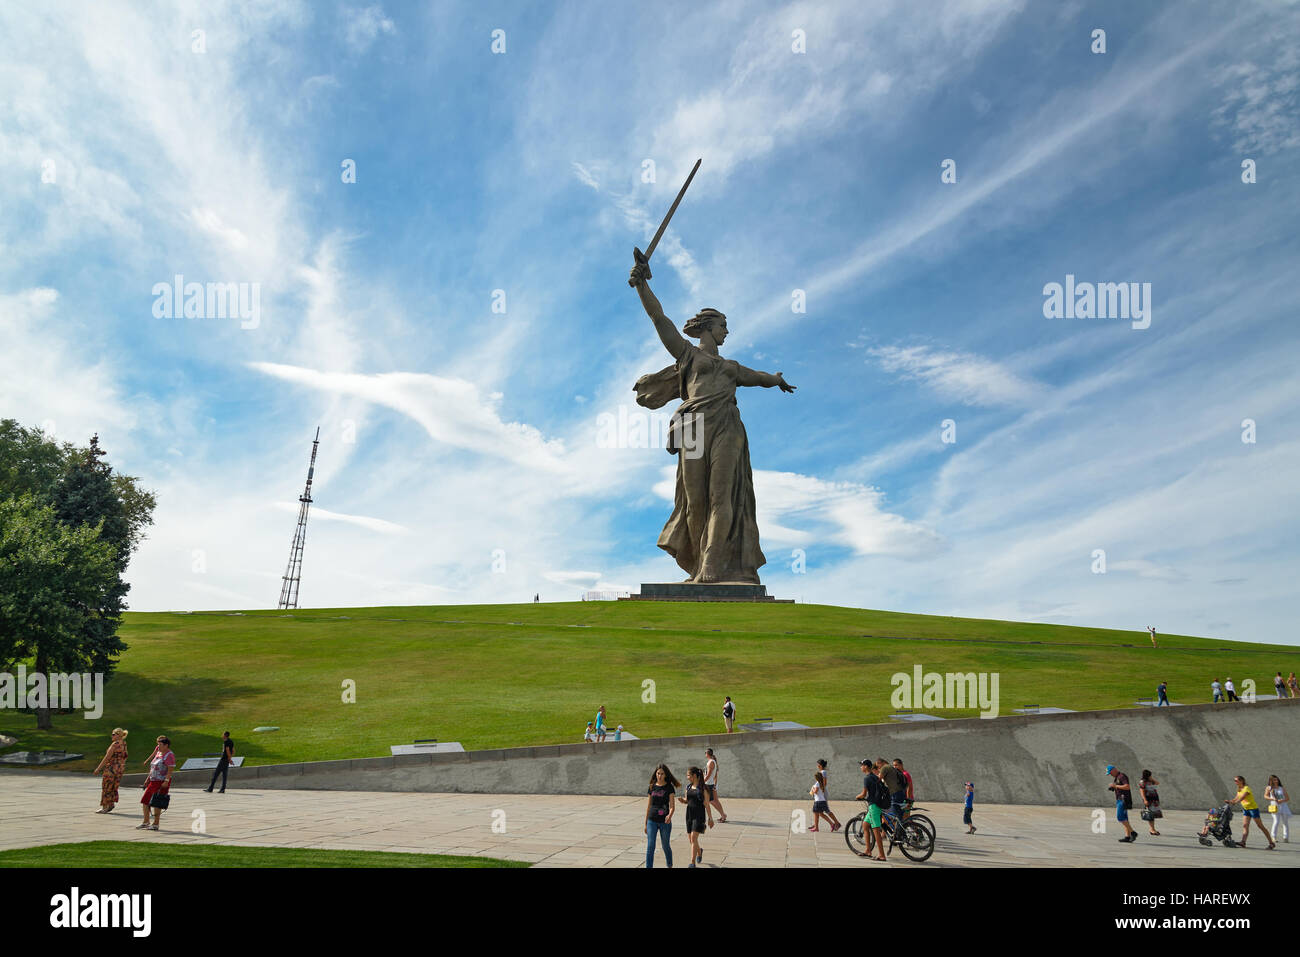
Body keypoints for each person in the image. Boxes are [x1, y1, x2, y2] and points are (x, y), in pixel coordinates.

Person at [630, 261, 797, 586]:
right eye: (723, 326)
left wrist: (776, 379)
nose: (726, 332)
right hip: (692, 426)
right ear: (707, 327)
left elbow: (759, 377)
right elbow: (659, 318)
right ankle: (697, 567)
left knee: (722, 496)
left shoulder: (731, 367)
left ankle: (712, 565)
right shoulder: (688, 355)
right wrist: (642, 285)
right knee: (695, 502)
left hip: (727, 427)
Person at [645, 763, 679, 868]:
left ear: (665, 775)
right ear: (655, 774)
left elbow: (672, 806)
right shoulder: (652, 786)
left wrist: (670, 815)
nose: (659, 776)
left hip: (665, 821)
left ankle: (669, 864)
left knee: (665, 846)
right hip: (652, 820)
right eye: (658, 773)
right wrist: (645, 823)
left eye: (662, 774)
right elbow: (649, 806)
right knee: (650, 846)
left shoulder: (669, 787)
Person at [1228, 775, 1276, 850]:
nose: (1235, 782)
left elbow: (1242, 797)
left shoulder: (1246, 788)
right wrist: (1230, 801)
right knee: (1245, 825)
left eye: (1236, 780)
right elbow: (1236, 798)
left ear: (1241, 781)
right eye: (1235, 781)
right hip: (1246, 809)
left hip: (1253, 809)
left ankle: (1271, 843)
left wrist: (1235, 802)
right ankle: (1243, 842)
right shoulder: (1239, 789)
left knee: (1260, 826)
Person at [678, 766, 713, 866]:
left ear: (694, 776)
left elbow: (707, 804)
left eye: (688, 775)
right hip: (689, 815)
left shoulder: (703, 789)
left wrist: (710, 818)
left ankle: (692, 862)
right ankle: (699, 851)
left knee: (693, 838)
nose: (687, 777)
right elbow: (687, 800)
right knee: (691, 840)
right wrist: (683, 801)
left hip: (699, 816)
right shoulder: (688, 787)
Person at [138, 735, 175, 831]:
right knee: (145, 801)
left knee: (157, 803)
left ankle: (155, 824)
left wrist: (166, 781)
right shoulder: (158, 753)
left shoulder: (169, 755)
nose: (158, 747)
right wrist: (147, 779)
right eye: (158, 745)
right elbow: (153, 768)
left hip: (161, 782)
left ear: (166, 745)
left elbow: (170, 769)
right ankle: (146, 822)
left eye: (160, 745)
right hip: (153, 781)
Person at [858, 759, 888, 861]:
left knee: (876, 830)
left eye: (862, 765)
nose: (861, 767)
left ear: (866, 766)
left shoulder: (867, 778)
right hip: (877, 804)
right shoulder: (875, 776)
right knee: (865, 825)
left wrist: (858, 796)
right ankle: (868, 850)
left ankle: (882, 855)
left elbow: (863, 794)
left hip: (874, 806)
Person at [92, 728, 128, 813]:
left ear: (118, 735)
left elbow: (107, 758)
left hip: (111, 769)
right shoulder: (124, 744)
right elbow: (125, 756)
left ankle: (105, 807)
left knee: (106, 786)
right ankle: (111, 804)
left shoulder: (115, 744)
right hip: (120, 769)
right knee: (113, 787)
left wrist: (98, 769)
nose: (111, 736)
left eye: (113, 734)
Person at [1107, 765, 1136, 843]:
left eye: (1110, 773)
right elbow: (1119, 787)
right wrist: (1113, 787)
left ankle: (1133, 833)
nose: (1110, 775)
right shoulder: (1117, 777)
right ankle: (1127, 836)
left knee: (1120, 817)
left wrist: (1116, 785)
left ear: (1114, 770)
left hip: (1123, 800)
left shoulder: (1122, 776)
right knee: (1125, 818)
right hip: (1120, 799)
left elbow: (1127, 786)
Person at [878, 757, 908, 823]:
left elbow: (878, 779)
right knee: (898, 814)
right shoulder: (891, 768)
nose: (879, 768)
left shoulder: (885, 767)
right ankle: (901, 827)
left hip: (895, 793)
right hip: (900, 793)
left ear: (881, 763)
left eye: (878, 766)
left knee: (896, 815)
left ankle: (900, 829)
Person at [1263, 775, 1291, 843]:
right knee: (1276, 821)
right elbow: (1265, 796)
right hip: (1274, 807)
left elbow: (1287, 798)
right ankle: (1273, 837)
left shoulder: (1281, 788)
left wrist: (1282, 800)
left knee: (1285, 822)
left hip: (1283, 806)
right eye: (1274, 780)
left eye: (1277, 779)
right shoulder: (1269, 788)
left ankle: (1286, 837)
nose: (1276, 781)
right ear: (1271, 781)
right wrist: (1272, 798)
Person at [703, 748, 727, 822]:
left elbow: (709, 775)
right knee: (715, 800)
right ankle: (723, 815)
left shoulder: (711, 762)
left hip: (709, 784)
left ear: (707, 754)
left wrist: (702, 782)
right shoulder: (711, 761)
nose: (705, 754)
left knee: (711, 801)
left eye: (705, 753)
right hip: (710, 783)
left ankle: (723, 815)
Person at [1138, 770, 1162, 836]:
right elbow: (1142, 791)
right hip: (1148, 800)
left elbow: (1157, 783)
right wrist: (1145, 800)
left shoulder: (1151, 781)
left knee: (1153, 814)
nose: (1151, 776)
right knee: (1150, 814)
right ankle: (1152, 829)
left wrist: (1152, 779)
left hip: (1154, 799)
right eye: (1150, 775)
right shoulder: (1142, 782)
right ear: (1147, 775)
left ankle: (1152, 829)